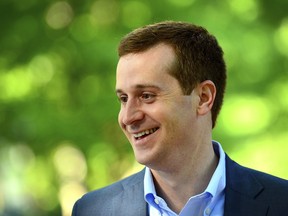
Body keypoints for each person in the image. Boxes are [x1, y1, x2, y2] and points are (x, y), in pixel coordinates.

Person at [72, 21, 288, 216]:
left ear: (203, 98)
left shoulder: (282, 203)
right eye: (123, 98)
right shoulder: (92, 210)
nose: (128, 117)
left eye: (147, 96)